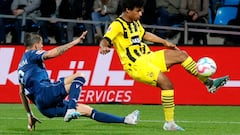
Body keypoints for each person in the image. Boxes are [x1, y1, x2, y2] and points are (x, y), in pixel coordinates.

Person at [99, 0, 229, 131]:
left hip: (148, 57)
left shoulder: (134, 22)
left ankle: (208, 83)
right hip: (136, 64)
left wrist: (164, 42)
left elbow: (144, 34)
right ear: (128, 10)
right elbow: (105, 39)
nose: (141, 13)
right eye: (138, 11)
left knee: (182, 55)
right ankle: (169, 123)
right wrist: (103, 47)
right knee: (167, 84)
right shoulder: (117, 25)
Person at [17, 31, 139, 131]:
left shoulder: (21, 67)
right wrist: (74, 42)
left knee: (87, 110)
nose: (43, 47)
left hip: (44, 108)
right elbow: (50, 54)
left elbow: (21, 93)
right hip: (46, 93)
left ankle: (126, 120)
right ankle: (71, 109)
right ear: (36, 46)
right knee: (80, 76)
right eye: (42, 44)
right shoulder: (31, 54)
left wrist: (30, 114)